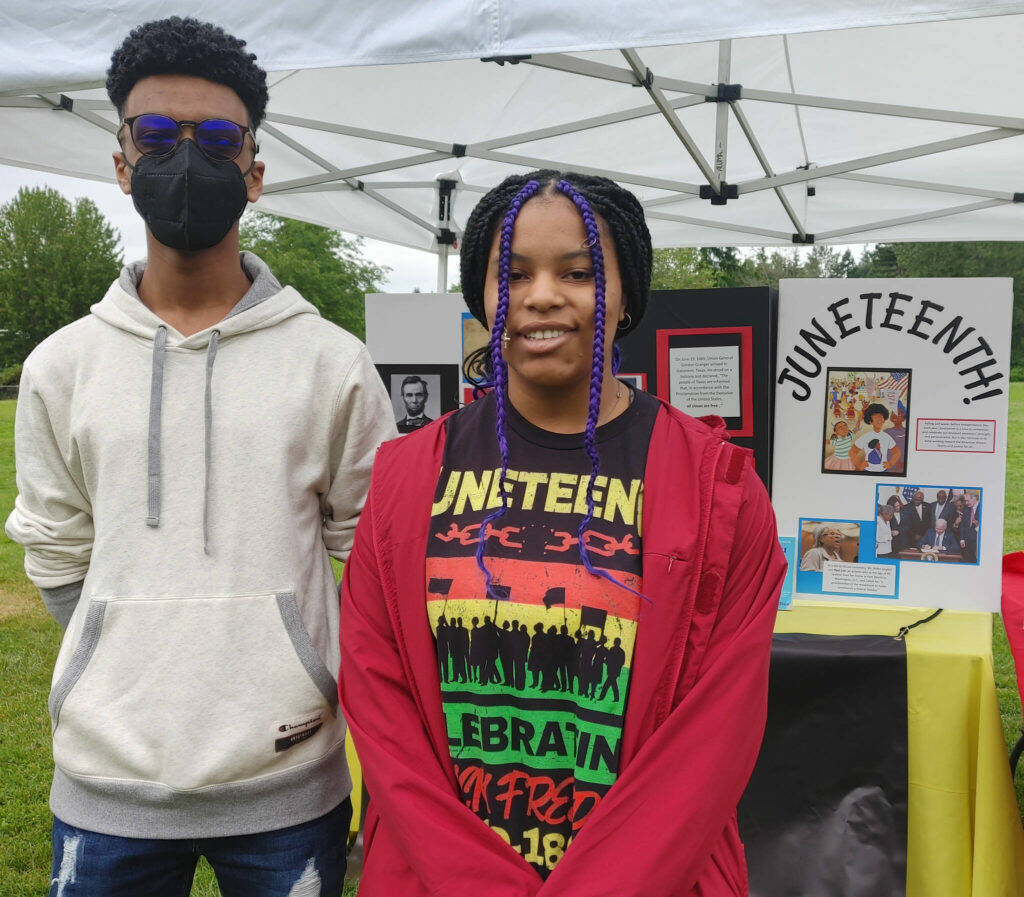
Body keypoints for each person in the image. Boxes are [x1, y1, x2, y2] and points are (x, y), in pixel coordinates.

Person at [3, 18, 396, 896]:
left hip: (290, 786)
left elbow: (370, 561)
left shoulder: (331, 363)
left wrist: (276, 670)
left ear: (255, 172)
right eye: (157, 136)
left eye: (218, 140)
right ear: (122, 161)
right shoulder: (59, 367)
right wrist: (136, 659)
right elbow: (58, 557)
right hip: (107, 791)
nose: (188, 159)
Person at [338, 170, 786, 895]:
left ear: (625, 294)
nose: (542, 295)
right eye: (513, 273)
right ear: (483, 298)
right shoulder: (403, 480)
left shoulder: (718, 494)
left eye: (577, 272)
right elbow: (384, 717)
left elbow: (711, 745)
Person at [851, 403, 901, 472]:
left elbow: (897, 452)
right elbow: (852, 451)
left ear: (884, 419)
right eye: (876, 417)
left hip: (884, 471)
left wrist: (890, 463)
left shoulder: (887, 437)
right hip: (867, 471)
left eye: (881, 417)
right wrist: (859, 465)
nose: (879, 419)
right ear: (870, 422)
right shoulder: (866, 437)